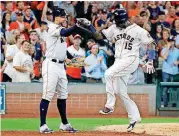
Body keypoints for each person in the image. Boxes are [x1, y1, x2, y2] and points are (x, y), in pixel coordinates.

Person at [77, 8, 155, 132]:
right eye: (118, 22)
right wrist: (89, 26)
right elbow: (100, 36)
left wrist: (150, 60)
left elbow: (151, 43)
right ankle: (135, 117)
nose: (119, 24)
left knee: (108, 74)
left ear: (126, 19)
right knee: (121, 92)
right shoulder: (114, 28)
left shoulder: (137, 30)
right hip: (119, 60)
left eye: (121, 22)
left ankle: (109, 105)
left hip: (131, 59)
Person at [39, 8, 79, 133]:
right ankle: (42, 125)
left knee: (63, 94)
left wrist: (71, 58)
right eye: (63, 16)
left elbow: (61, 47)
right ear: (56, 17)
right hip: (50, 64)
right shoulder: (52, 27)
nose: (65, 19)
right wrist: (78, 26)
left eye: (65, 17)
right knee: (47, 95)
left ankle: (64, 124)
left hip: (61, 66)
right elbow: (66, 32)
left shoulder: (59, 29)